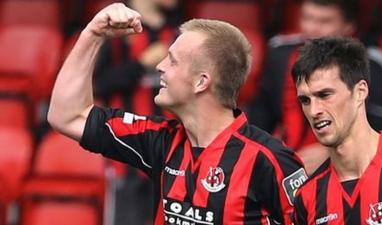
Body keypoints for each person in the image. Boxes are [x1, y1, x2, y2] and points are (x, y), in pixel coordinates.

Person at [47, 3, 306, 225]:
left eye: (172, 60)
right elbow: (67, 116)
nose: (159, 66)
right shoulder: (161, 141)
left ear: (201, 82)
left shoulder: (270, 160)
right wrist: (92, 34)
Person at [247, 0, 382, 174]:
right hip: (287, 159)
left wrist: (334, 151)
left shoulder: (376, 66)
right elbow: (260, 117)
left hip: (355, 166)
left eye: (324, 21)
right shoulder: (280, 54)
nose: (312, 28)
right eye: (307, 18)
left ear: (348, 26)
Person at [291, 36, 382, 225]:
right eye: (305, 100)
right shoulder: (308, 197)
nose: (314, 110)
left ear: (360, 92)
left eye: (324, 95)